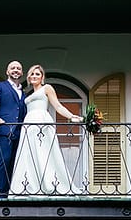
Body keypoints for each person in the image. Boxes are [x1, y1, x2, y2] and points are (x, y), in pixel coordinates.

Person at [10, 65, 83, 195]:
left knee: (43, 152)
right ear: (28, 77)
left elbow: (58, 106)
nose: (34, 76)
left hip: (41, 120)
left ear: (42, 77)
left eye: (37, 74)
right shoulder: (28, 94)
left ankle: (48, 183)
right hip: (29, 123)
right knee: (29, 154)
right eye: (32, 74)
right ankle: (30, 185)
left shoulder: (47, 88)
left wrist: (71, 116)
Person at [0, 60, 27, 197]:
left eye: (18, 68)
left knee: (13, 163)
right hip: (3, 130)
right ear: (7, 71)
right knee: (4, 159)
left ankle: (9, 192)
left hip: (18, 132)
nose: (15, 70)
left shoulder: (23, 92)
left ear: (22, 73)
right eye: (13, 68)